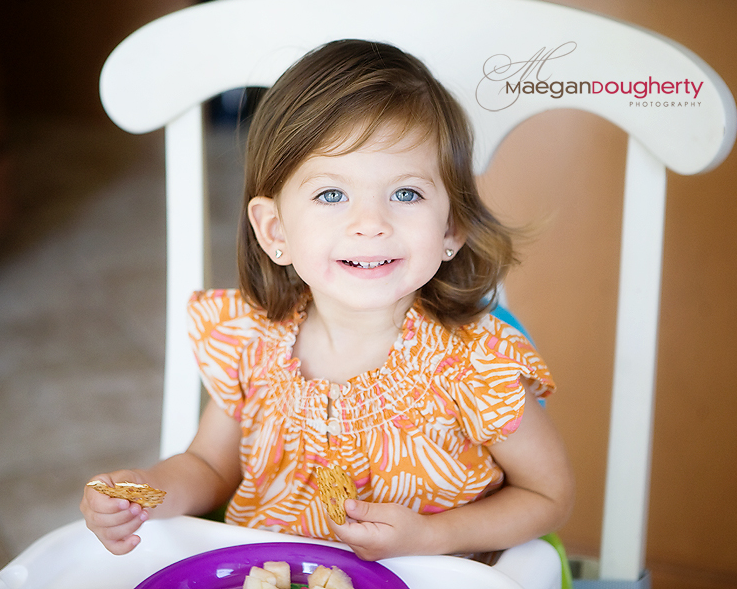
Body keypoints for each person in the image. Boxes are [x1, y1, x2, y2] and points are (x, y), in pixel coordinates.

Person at [80, 39, 574, 563]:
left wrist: (433, 535)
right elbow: (209, 467)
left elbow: (547, 496)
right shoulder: (250, 340)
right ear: (276, 230)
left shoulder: (478, 366)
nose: (370, 224)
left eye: (406, 193)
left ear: (451, 227)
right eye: (331, 195)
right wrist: (143, 493)